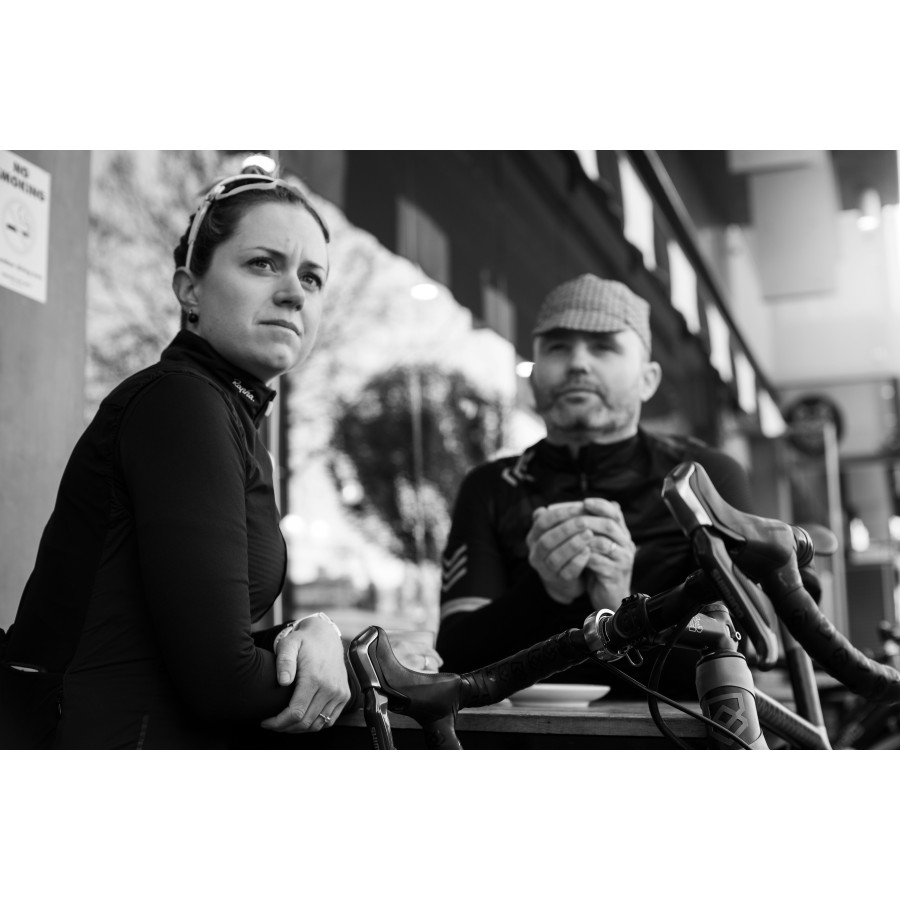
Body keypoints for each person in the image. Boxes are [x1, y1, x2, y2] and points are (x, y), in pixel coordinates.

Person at [1, 164, 355, 748]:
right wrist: (368, 669)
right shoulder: (183, 403)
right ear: (190, 290)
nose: (295, 292)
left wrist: (313, 636)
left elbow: (185, 650)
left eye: (312, 278)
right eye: (263, 263)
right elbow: (223, 683)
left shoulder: (227, 414)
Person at [435, 274, 754, 699]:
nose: (578, 363)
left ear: (648, 379)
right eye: (557, 347)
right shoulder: (490, 487)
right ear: (532, 377)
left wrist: (626, 608)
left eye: (604, 347)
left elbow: (740, 658)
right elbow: (456, 658)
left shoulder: (704, 477)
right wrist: (545, 590)